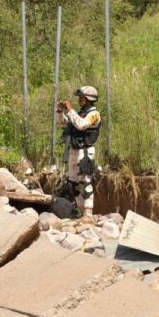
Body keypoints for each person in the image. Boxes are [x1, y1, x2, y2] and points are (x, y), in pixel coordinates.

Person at [57, 86, 102, 219]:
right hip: (74, 151)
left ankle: (88, 214)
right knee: (73, 184)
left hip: (85, 152)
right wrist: (60, 112)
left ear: (88, 99)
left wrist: (70, 110)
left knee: (85, 182)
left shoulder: (94, 114)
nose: (79, 100)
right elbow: (63, 124)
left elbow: (82, 125)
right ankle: (80, 212)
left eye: (81, 98)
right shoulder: (79, 113)